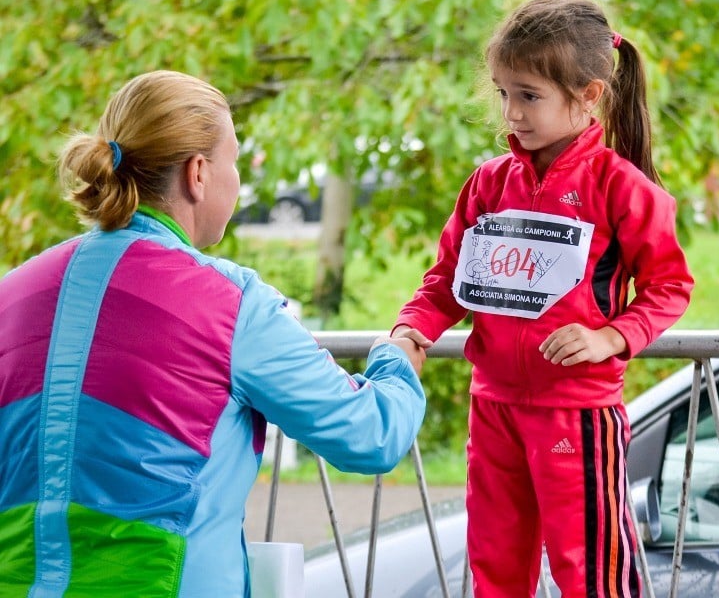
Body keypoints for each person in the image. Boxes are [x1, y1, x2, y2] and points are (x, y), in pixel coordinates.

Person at [0, 70, 427, 597]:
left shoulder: (12, 295)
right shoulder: (231, 304)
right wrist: (396, 357)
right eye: (236, 161)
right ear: (198, 173)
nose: (238, 180)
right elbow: (371, 434)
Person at [392, 0, 694, 598]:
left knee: (592, 574)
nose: (512, 112)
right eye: (504, 93)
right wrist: (409, 331)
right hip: (494, 408)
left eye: (529, 95)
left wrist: (609, 335)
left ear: (588, 96)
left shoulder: (620, 186)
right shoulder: (488, 183)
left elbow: (669, 286)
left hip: (577, 414)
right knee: (495, 570)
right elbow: (447, 281)